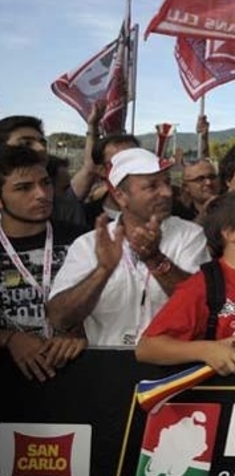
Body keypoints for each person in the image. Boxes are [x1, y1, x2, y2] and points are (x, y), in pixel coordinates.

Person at [47, 148, 210, 346]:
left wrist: (155, 260)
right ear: (120, 196)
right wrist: (103, 271)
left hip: (172, 361)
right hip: (107, 361)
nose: (167, 192)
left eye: (167, 182)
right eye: (152, 186)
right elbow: (59, 318)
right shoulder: (88, 245)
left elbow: (202, 304)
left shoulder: (190, 235)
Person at [135, 192, 235, 374]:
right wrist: (206, 350)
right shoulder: (204, 285)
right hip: (228, 386)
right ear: (230, 233)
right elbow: (146, 348)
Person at [0, 146, 87, 381]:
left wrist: (81, 331)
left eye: (46, 183)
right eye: (24, 188)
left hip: (78, 373)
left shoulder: (82, 240)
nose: (41, 194)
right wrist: (9, 338)